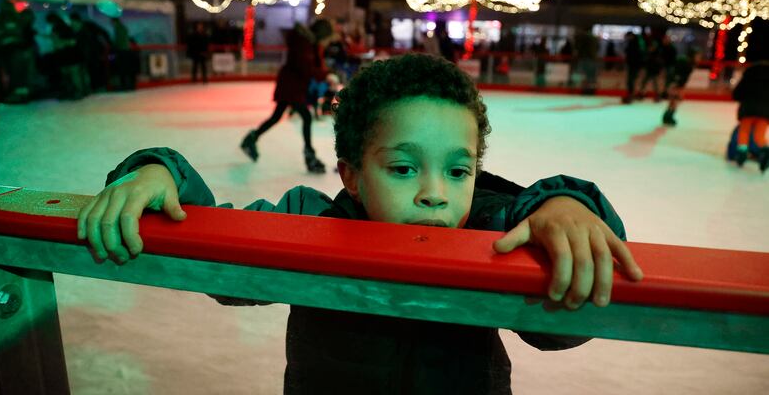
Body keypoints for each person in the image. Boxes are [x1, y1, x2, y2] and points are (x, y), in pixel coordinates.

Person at [77, 54, 643, 395]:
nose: (434, 193)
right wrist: (159, 172)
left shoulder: (495, 236)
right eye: (402, 168)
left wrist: (567, 206)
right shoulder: (312, 224)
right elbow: (219, 256)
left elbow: (562, 329)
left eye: (458, 169)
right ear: (351, 175)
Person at [240, 19, 335, 173]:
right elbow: (305, 68)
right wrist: (326, 75)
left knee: (277, 116)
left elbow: (312, 66)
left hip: (292, 85)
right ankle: (309, 155)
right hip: (291, 86)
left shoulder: (309, 43)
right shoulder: (303, 43)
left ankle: (251, 139)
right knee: (306, 117)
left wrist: (325, 71)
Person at [731, 58, 769, 172]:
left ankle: (742, 153)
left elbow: (736, 94)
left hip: (748, 110)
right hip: (765, 112)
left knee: (744, 132)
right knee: (759, 135)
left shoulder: (748, 77)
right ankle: (765, 150)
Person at [70, 12, 112, 92]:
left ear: (77, 21)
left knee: (96, 71)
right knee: (92, 71)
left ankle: (98, 88)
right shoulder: (77, 30)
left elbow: (103, 33)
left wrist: (107, 44)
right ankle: (95, 88)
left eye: (73, 22)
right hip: (86, 54)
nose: (72, 24)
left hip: (94, 53)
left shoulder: (88, 26)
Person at [661, 47, 698, 127]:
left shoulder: (688, 62)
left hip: (677, 84)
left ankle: (668, 116)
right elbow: (677, 73)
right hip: (675, 84)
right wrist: (676, 85)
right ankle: (668, 117)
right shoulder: (685, 62)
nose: (699, 58)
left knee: (674, 101)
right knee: (674, 100)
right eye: (697, 55)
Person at [621, 31, 645, 104]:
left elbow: (634, 54)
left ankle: (631, 95)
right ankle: (631, 94)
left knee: (631, 81)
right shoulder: (636, 42)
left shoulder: (634, 43)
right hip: (634, 65)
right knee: (631, 81)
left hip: (634, 65)